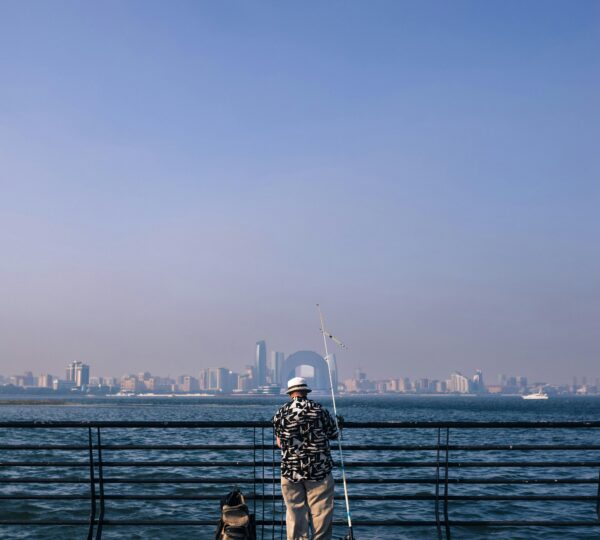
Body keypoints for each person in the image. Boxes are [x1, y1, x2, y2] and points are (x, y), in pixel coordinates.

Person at [272, 377, 339, 540]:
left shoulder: (281, 412)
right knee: (321, 515)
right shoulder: (319, 410)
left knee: (295, 516)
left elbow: (279, 442)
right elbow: (334, 434)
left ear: (290, 393)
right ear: (306, 391)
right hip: (319, 470)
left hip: (291, 471)